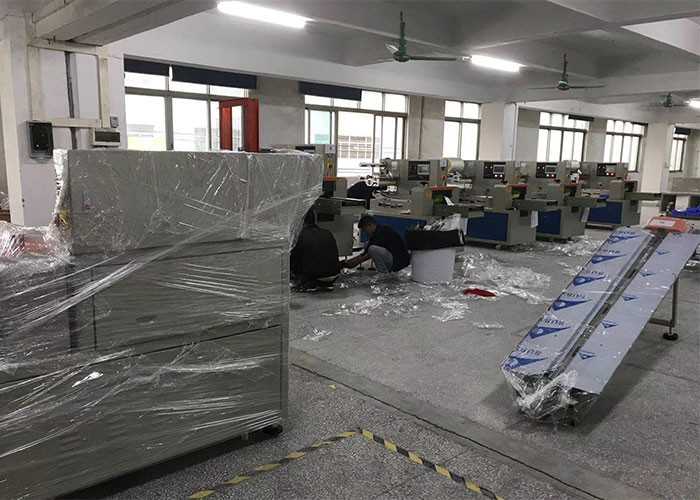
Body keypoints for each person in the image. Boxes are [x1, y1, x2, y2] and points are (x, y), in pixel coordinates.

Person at [290, 211, 341, 291]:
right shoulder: (327, 232)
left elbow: (294, 260)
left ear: (301, 222)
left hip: (314, 276)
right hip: (335, 274)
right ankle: (325, 284)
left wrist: (291, 272)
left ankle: (309, 283)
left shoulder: (301, 236)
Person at [343, 216, 410, 273]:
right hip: (394, 257)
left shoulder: (381, 233)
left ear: (369, 226)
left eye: (364, 230)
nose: (365, 233)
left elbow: (369, 253)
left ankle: (383, 273)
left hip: (398, 262)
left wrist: (356, 262)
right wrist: (348, 262)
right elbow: (365, 253)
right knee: (367, 244)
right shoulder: (378, 231)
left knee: (373, 249)